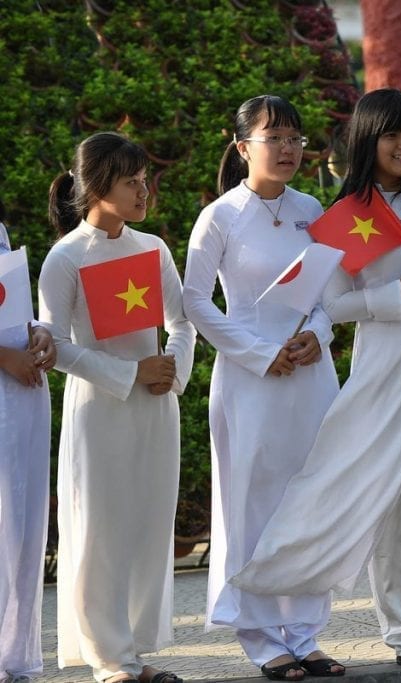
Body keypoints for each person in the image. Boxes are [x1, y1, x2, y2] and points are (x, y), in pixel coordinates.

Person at [229, 88, 401, 670]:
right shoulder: (344, 215)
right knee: (391, 503)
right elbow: (334, 305)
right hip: (384, 370)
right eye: (394, 134)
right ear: (368, 140)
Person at [182, 95, 345, 680]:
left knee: (308, 498)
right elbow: (194, 300)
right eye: (273, 137)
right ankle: (259, 637)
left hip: (308, 372)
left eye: (296, 138)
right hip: (250, 378)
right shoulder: (220, 216)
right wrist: (257, 352)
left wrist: (317, 338)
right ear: (242, 146)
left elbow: (329, 294)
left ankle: (305, 633)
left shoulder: (312, 208)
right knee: (250, 500)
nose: (287, 149)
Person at [38, 132, 196, 683]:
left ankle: (133, 649)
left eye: (143, 180)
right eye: (131, 182)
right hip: (101, 410)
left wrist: (170, 367)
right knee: (101, 529)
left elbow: (182, 322)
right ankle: (112, 661)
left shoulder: (152, 248)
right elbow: (52, 344)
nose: (143, 192)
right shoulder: (65, 258)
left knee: (146, 525)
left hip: (155, 407)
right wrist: (129, 374)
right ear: (99, 185)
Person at [0, 200, 55, 683]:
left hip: (24, 400)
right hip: (5, 384)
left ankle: (14, 660)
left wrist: (38, 331)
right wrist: (1, 355)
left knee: (20, 529)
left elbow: (11, 310)